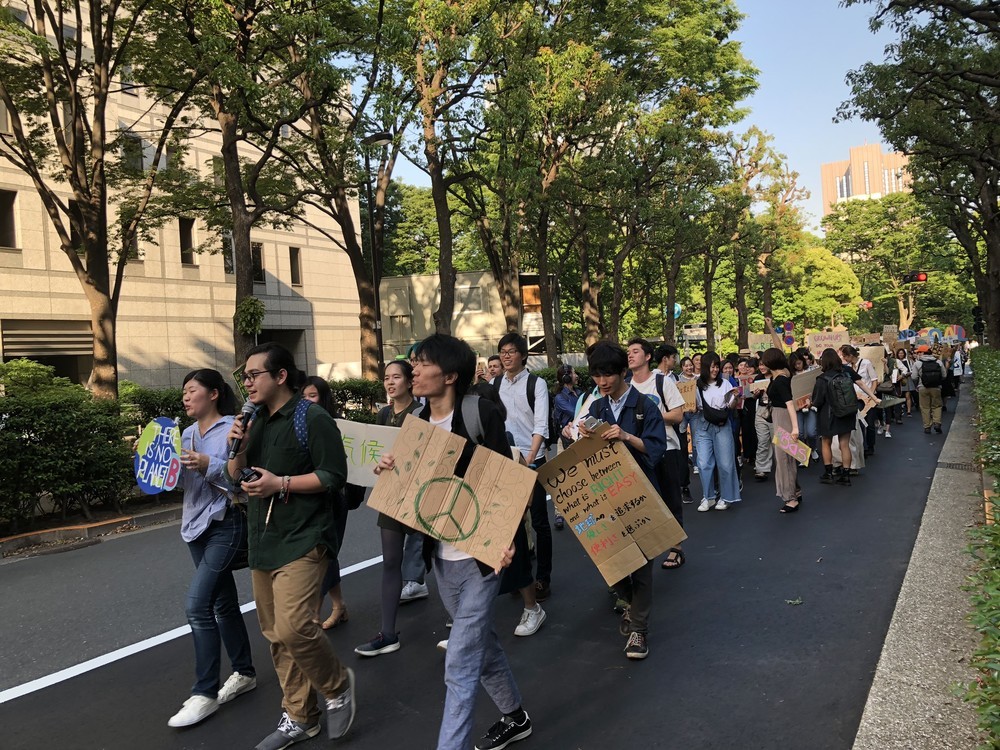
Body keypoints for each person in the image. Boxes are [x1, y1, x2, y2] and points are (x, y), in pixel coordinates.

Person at [374, 334, 533, 750]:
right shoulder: (415, 425)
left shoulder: (478, 412)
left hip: (483, 556)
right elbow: (414, 493)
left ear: (450, 375)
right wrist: (390, 468)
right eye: (412, 363)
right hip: (442, 558)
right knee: (481, 643)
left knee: (460, 660)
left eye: (422, 363)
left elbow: (506, 480)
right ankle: (515, 716)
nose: (413, 371)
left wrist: (508, 537)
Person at [226, 343, 355, 749]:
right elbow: (235, 475)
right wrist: (239, 445)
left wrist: (279, 483)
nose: (247, 382)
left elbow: (333, 475)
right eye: (243, 376)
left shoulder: (312, 418)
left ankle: (337, 686)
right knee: (275, 635)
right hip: (262, 540)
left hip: (304, 536)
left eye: (254, 375)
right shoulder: (252, 420)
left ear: (280, 376)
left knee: (295, 626)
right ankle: (301, 715)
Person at [167, 369, 257, 729]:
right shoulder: (186, 433)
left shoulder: (233, 428)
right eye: (184, 392)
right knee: (222, 603)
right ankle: (245, 672)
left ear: (214, 394)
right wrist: (155, 464)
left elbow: (241, 477)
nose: (186, 397)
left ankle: (204, 692)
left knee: (197, 606)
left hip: (226, 521)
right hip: (194, 526)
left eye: (192, 391)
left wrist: (209, 464)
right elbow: (179, 484)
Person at [577, 341, 667, 658]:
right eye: (597, 376)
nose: (602, 383)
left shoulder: (645, 405)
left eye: (608, 376)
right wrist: (581, 435)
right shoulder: (597, 408)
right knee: (611, 564)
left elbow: (655, 449)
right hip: (605, 499)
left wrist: (626, 436)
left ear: (623, 372)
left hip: (640, 496)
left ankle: (639, 631)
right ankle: (630, 605)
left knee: (641, 566)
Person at [353, 360, 429, 657]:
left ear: (410, 381)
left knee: (444, 559)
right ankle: (388, 633)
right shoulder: (383, 414)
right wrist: (378, 465)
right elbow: (373, 458)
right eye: (386, 378)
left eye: (396, 377)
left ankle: (460, 622)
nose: (390, 382)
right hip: (391, 494)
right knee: (390, 561)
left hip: (423, 494)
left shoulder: (422, 413)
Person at [493, 332, 551, 627]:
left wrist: (528, 462)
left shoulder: (536, 384)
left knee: (539, 521)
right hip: (504, 462)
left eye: (512, 351)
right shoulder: (493, 385)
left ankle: (542, 578)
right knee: (509, 524)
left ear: (523, 356)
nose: (506, 356)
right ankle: (518, 577)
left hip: (532, 459)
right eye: (503, 351)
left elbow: (541, 424)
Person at [624, 338, 686, 570]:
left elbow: (678, 415)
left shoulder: (662, 382)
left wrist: (648, 417)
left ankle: (676, 548)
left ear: (648, 357)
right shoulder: (626, 385)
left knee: (670, 498)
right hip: (636, 451)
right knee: (643, 503)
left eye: (635, 351)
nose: (630, 355)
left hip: (665, 448)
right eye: (628, 352)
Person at [301, 376, 352, 632]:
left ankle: (314, 612)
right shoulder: (298, 425)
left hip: (334, 499)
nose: (307, 401)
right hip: (308, 499)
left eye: (312, 396)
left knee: (324, 554)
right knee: (326, 555)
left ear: (324, 397)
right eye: (303, 397)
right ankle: (339, 604)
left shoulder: (336, 425)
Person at [692, 352, 742, 511]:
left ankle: (726, 496)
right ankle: (709, 496)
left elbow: (731, 406)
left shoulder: (725, 383)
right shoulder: (696, 384)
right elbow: (691, 407)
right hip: (702, 423)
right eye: (712, 367)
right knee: (703, 462)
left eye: (716, 367)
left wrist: (736, 397)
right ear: (705, 367)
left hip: (722, 423)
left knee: (726, 463)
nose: (715, 370)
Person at [759, 349, 801, 513]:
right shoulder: (781, 375)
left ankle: (791, 498)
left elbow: (789, 404)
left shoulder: (780, 380)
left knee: (784, 459)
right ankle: (795, 491)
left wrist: (795, 428)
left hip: (783, 418)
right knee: (788, 457)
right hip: (780, 417)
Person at [551, 364, 581, 531]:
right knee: (562, 477)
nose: (576, 375)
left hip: (579, 438)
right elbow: (576, 412)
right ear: (567, 377)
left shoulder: (579, 392)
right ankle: (558, 513)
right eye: (574, 372)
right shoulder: (560, 397)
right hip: (566, 440)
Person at [840, 345, 880, 457]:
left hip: (868, 397)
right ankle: (863, 446)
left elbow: (874, 380)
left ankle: (871, 445)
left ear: (850, 355)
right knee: (859, 422)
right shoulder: (847, 367)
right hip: (855, 398)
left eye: (845, 356)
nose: (844, 358)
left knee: (870, 422)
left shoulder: (866, 363)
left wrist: (870, 395)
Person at [913, 344, 945, 434]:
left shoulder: (917, 363)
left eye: (919, 352)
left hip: (922, 387)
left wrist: (917, 385)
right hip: (936, 387)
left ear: (923, 353)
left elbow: (914, 377)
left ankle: (927, 426)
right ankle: (937, 423)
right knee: (937, 406)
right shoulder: (938, 362)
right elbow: (944, 375)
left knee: (925, 407)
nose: (918, 354)